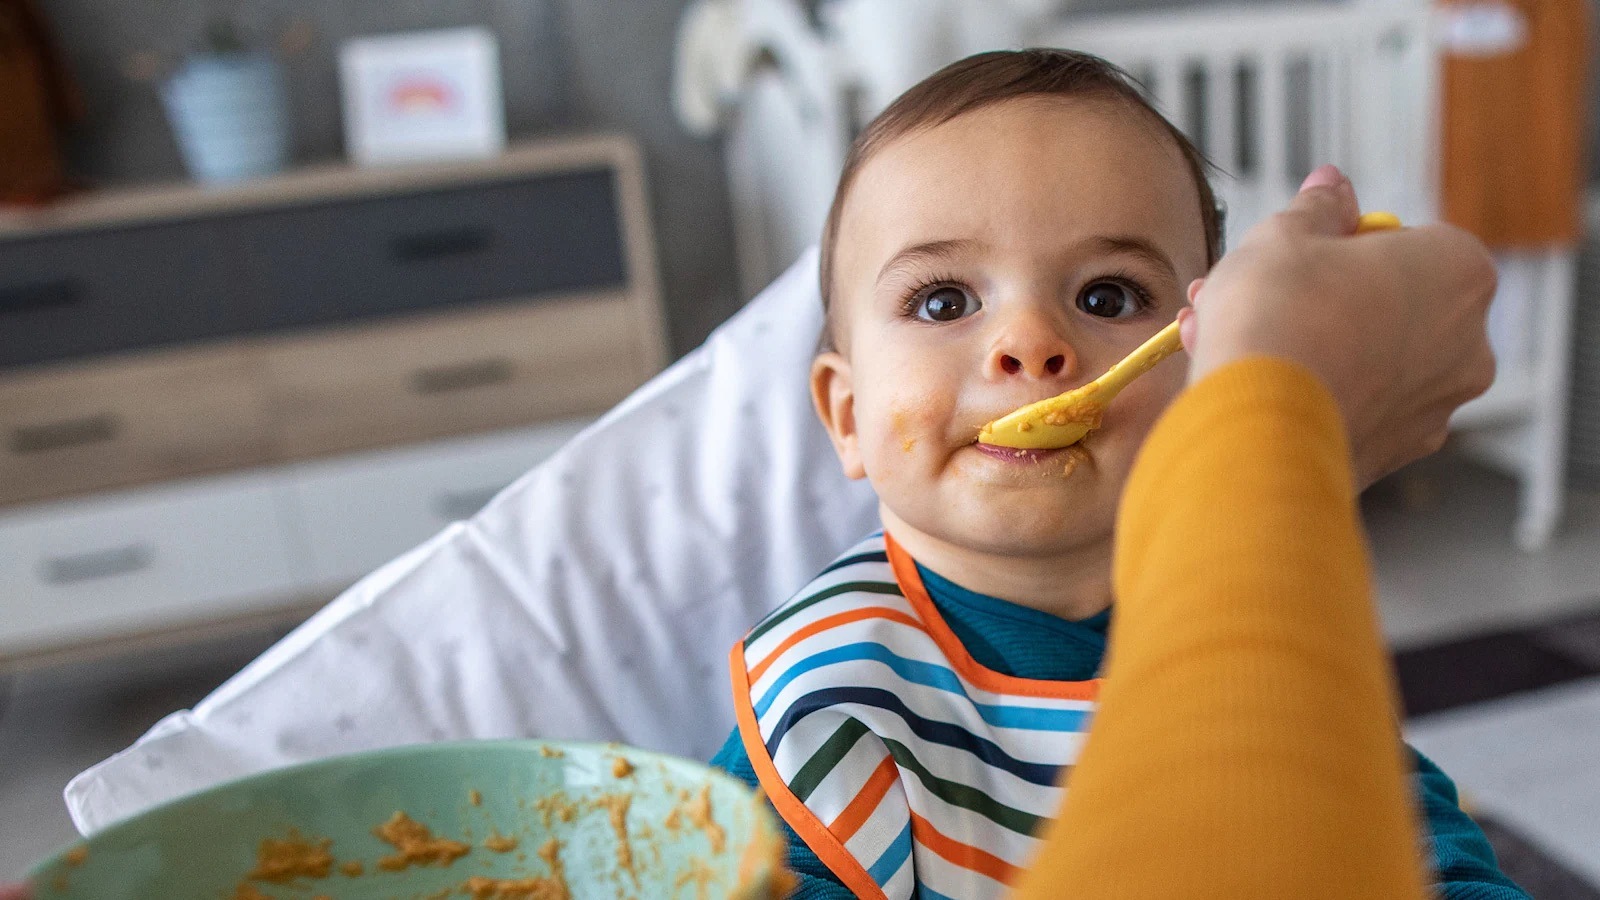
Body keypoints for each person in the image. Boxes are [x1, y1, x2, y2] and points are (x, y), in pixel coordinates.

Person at [711, 49, 1523, 899]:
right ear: (847, 417)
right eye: (944, 301)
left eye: (1107, 298)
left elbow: (1411, 846)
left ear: (1203, 369)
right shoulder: (824, 700)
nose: (1028, 339)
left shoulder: (1253, 616)